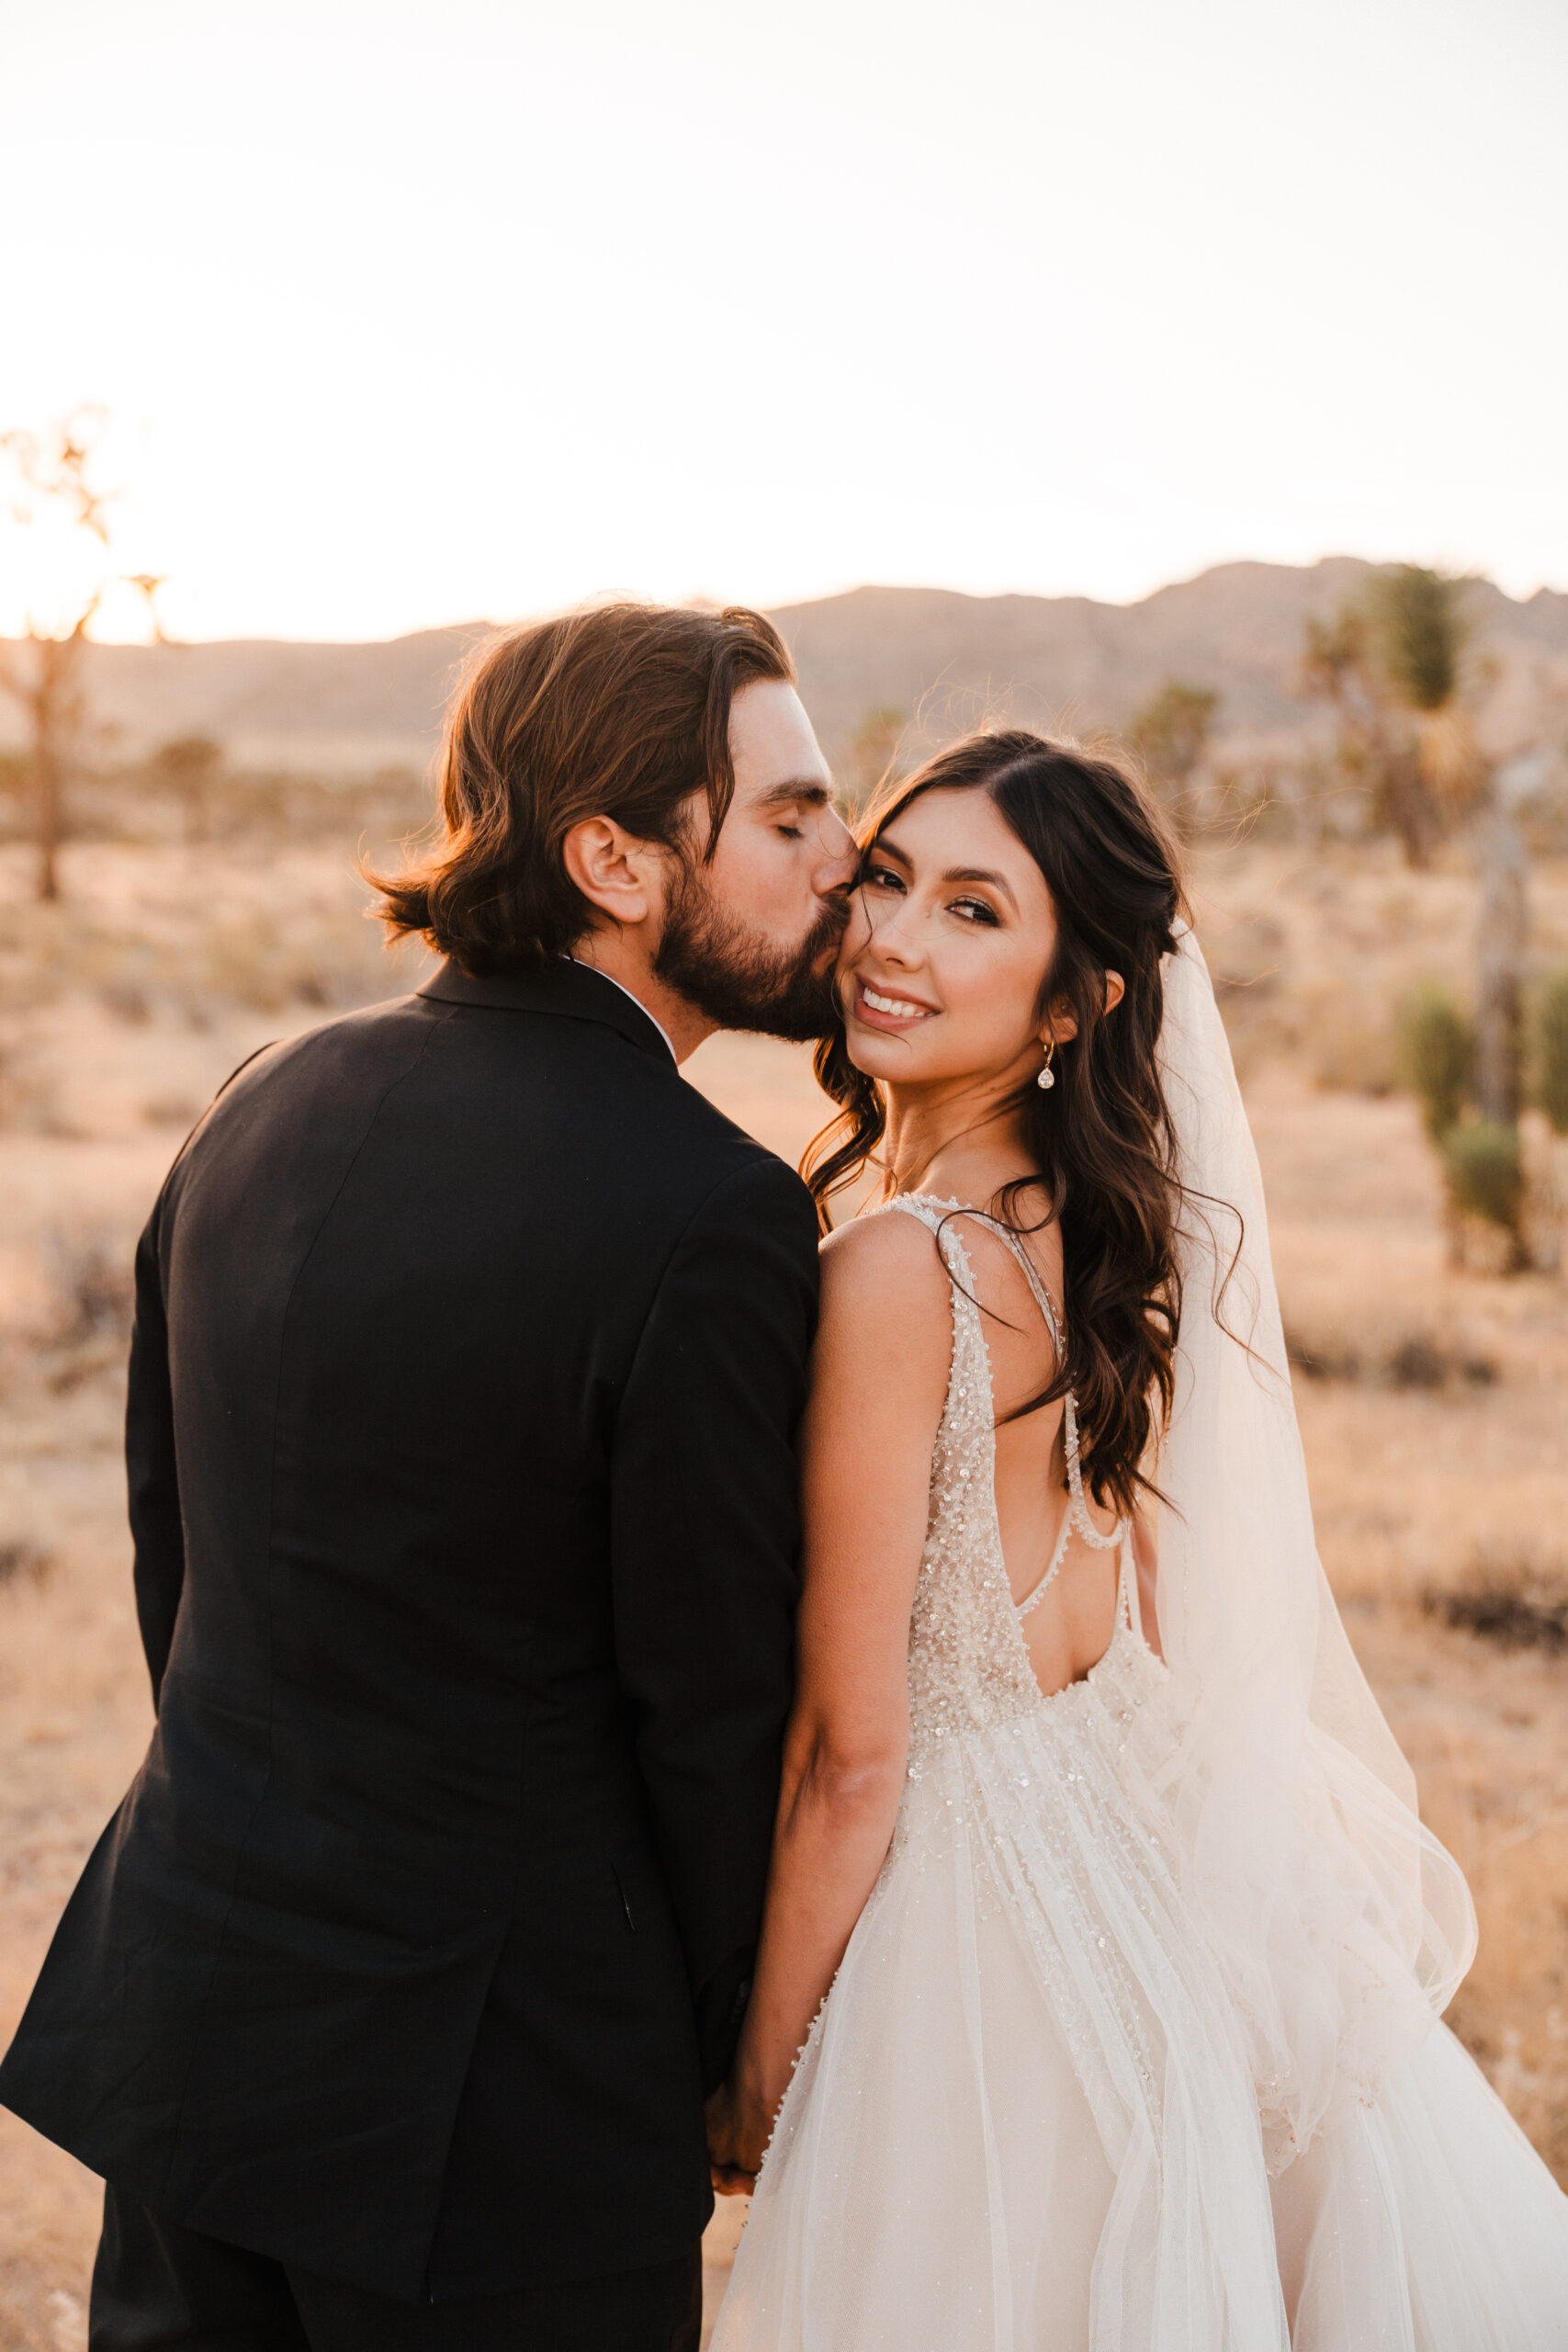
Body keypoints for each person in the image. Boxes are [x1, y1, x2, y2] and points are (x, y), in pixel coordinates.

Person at [0, 603, 857, 2352]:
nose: (848, 864)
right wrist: (703, 2060)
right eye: (789, 817)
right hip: (501, 2124)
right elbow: (706, 1714)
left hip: (196, 2028)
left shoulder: (261, 1098)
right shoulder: (713, 1215)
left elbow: (182, 1569)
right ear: (615, 858)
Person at [705, 729, 1568, 2348]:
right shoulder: (1080, 1225)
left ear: (1070, 1004)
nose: (891, 937)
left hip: (961, 1934)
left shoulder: (900, 1266)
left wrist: (763, 2066)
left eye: (975, 911)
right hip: (1106, 1844)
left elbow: (854, 1750)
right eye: (887, 878)